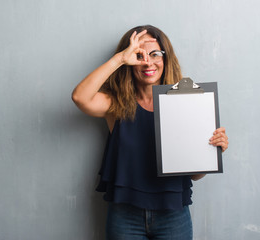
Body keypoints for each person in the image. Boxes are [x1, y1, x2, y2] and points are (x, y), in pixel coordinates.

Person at [72, 25, 229, 240]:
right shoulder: (116, 104)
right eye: (139, 55)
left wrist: (212, 150)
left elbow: (195, 174)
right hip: (125, 216)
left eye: (155, 54)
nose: (148, 62)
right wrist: (119, 60)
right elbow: (80, 98)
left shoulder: (186, 103)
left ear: (166, 57)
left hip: (173, 215)